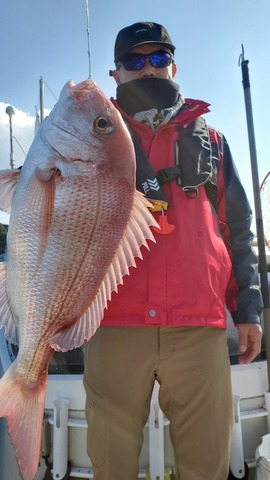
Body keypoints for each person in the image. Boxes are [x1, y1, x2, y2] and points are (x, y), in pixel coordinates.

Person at [83, 21, 263, 480]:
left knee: (207, 466)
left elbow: (237, 228)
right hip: (114, 324)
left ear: (174, 65)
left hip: (198, 327)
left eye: (159, 58)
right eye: (135, 61)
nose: (149, 68)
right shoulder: (89, 139)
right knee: (111, 466)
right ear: (116, 74)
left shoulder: (214, 142)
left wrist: (248, 312)